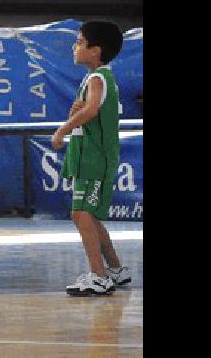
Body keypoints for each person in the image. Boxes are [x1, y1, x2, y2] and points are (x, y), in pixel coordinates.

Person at [51, 21, 132, 296]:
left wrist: (64, 127)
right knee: (92, 216)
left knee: (81, 213)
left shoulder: (98, 78)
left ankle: (98, 276)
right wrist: (80, 109)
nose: (75, 47)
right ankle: (116, 270)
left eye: (80, 42)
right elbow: (91, 108)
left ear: (95, 51)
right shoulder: (96, 78)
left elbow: (93, 110)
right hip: (91, 156)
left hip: (95, 157)